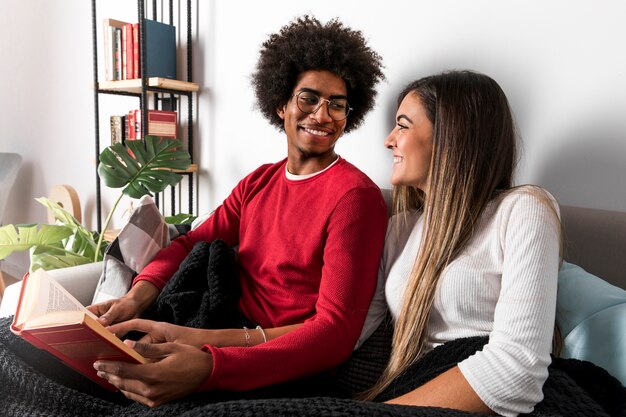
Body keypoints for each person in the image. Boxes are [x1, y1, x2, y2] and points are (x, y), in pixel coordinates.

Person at [87, 15, 388, 407]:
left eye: (337, 105)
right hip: (211, 327)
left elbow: (333, 334)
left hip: (269, 365)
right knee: (28, 348)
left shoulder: (355, 197)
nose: (322, 114)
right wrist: (134, 298)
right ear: (281, 104)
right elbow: (190, 242)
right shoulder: (258, 182)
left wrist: (209, 356)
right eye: (309, 98)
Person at [362, 70, 562, 417]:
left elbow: (517, 369)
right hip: (409, 387)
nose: (389, 140)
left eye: (403, 125)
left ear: (450, 137)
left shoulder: (523, 209)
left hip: (485, 400)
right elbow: (354, 335)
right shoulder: (399, 228)